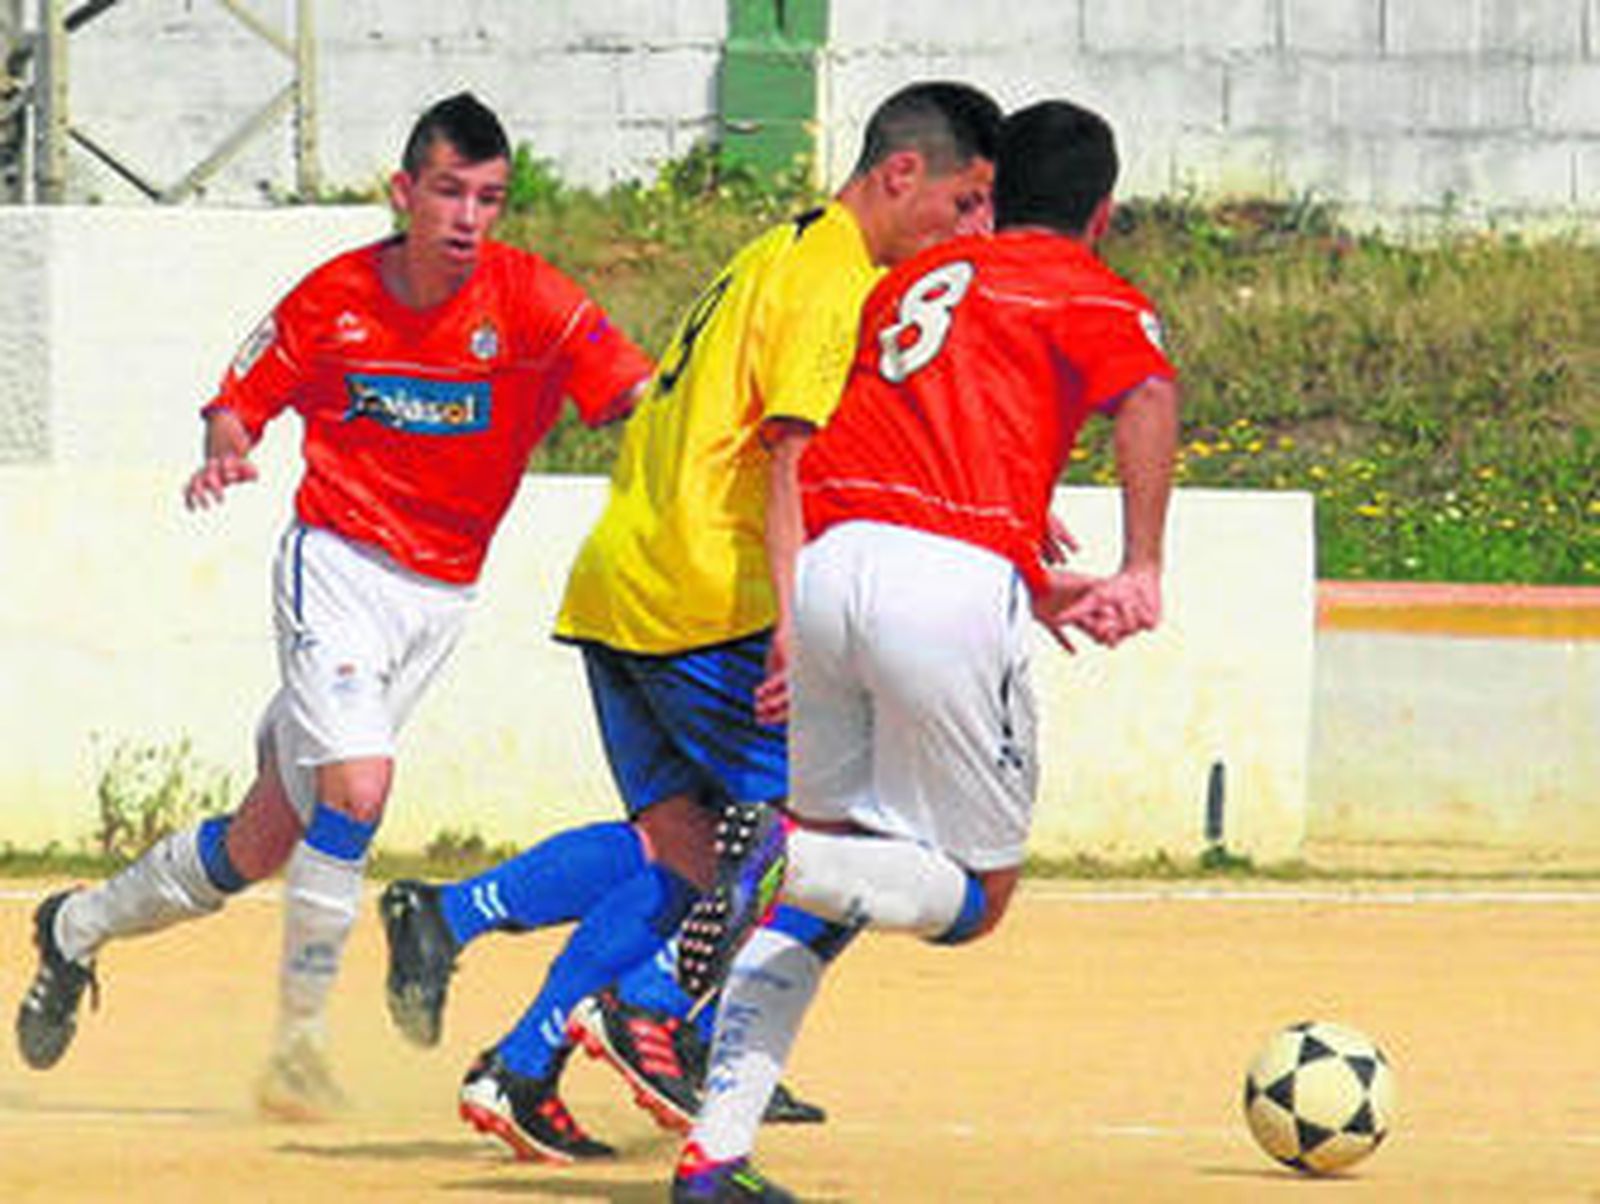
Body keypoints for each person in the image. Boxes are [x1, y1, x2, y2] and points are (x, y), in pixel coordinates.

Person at [376, 82, 1003, 1163]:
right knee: (833, 840)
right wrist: (798, 629)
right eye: (968, 199)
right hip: (703, 599)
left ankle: (519, 1061)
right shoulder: (833, 280)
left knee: (679, 850)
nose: (974, 228)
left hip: (623, 580)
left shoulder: (779, 248)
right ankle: (656, 1007)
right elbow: (792, 455)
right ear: (904, 175)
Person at [12, 92, 653, 1122]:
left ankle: (75, 928)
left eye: (489, 197)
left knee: (265, 837)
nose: (467, 216)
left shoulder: (532, 302)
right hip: (339, 566)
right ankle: (298, 1050)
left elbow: (637, 395)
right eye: (447, 190)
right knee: (357, 790)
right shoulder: (337, 298)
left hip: (440, 600)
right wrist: (228, 443)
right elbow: (241, 397)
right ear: (403, 192)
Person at [667, 98, 1182, 1202]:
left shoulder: (910, 283)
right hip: (940, 587)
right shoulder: (1086, 285)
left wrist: (1027, 581)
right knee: (974, 895)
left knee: (834, 871)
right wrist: (1140, 563)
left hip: (834, 573)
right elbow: (1145, 390)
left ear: (995, 200)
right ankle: (781, 859)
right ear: (1101, 213)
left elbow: (902, 452)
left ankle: (712, 1153)